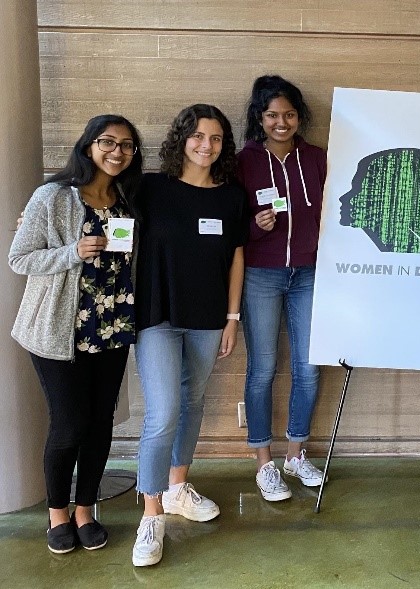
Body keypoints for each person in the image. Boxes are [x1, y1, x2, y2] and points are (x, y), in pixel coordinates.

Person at [10, 115, 142, 554]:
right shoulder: (52, 197)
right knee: (68, 425)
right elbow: (20, 258)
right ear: (88, 146)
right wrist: (72, 252)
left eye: (126, 145)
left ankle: (86, 509)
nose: (117, 151)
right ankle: (58, 515)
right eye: (108, 142)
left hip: (113, 327)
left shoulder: (128, 199)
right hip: (59, 330)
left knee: (100, 423)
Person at [131, 104, 247, 567]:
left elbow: (237, 257)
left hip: (207, 318)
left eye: (216, 138)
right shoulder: (150, 188)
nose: (206, 145)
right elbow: (92, 196)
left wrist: (233, 317)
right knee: (163, 414)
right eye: (198, 136)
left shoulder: (232, 197)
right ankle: (152, 514)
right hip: (157, 315)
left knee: (194, 402)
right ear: (182, 138)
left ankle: (178, 486)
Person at [237, 75, 327, 501]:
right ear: (259, 117)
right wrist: (254, 226)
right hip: (261, 274)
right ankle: (264, 464)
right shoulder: (244, 162)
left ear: (299, 117)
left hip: (308, 274)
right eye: (272, 115)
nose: (281, 122)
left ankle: (296, 454)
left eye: (288, 114)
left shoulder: (318, 158)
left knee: (309, 368)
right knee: (263, 369)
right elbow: (229, 226)